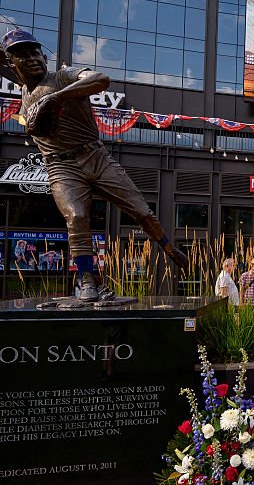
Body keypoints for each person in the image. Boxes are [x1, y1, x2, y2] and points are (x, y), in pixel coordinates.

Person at [0, 29, 187, 302]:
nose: (33, 59)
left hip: (95, 157)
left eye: (35, 52)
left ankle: (169, 249)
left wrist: (58, 96)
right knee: (76, 216)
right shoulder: (24, 100)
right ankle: (87, 279)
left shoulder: (61, 77)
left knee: (143, 212)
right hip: (61, 166)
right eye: (22, 55)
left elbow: (101, 79)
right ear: (10, 62)